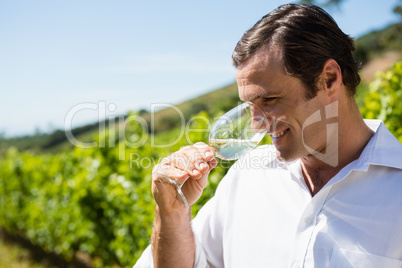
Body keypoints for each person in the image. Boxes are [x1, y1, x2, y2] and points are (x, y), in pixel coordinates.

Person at [135, 3, 402, 268]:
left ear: (329, 79)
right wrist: (171, 215)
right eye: (250, 106)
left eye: (270, 99)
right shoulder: (247, 177)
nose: (257, 124)